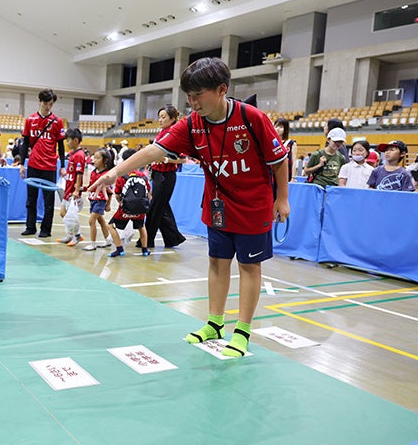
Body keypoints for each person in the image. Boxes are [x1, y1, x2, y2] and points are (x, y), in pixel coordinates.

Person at [90, 57, 290, 357]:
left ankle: (243, 331)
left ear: (222, 89)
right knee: (217, 262)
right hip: (218, 204)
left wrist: (282, 198)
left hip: (253, 205)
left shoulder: (251, 118)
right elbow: (154, 151)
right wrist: (114, 172)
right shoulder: (193, 124)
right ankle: (215, 323)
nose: (192, 102)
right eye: (188, 96)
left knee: (249, 266)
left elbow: (278, 161)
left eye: (199, 95)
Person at [19, 89, 66, 238]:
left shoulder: (57, 121)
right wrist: (21, 164)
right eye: (46, 103)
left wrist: (63, 166)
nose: (48, 107)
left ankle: (46, 230)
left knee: (49, 201)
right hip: (33, 165)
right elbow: (25, 143)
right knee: (31, 199)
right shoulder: (30, 120)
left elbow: (61, 145)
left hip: (50, 166)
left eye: (51, 104)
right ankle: (30, 227)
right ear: (40, 101)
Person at [140, 105, 186, 250]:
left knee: (155, 207)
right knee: (162, 207)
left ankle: (148, 240)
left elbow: (183, 159)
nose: (160, 120)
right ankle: (173, 238)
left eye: (163, 117)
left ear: (172, 119)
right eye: (159, 117)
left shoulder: (174, 134)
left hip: (166, 176)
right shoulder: (162, 132)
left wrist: (166, 160)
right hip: (157, 174)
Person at [105, 149, 151, 258]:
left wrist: (123, 204)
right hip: (140, 210)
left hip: (125, 210)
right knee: (142, 227)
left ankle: (119, 249)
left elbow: (117, 194)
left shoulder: (122, 176)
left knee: (111, 225)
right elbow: (148, 194)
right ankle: (145, 250)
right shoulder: (143, 176)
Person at [57, 128, 86, 246]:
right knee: (63, 213)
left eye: (68, 141)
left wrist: (77, 190)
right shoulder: (72, 154)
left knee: (71, 215)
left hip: (73, 191)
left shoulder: (79, 155)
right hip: (67, 188)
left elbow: (79, 174)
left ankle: (77, 236)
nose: (67, 143)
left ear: (75, 140)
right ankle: (70, 235)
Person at [82, 148, 114, 251]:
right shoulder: (93, 172)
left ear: (105, 160)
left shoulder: (107, 175)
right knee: (101, 220)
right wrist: (84, 188)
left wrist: (108, 204)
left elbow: (110, 191)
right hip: (93, 199)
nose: (95, 160)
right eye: (94, 157)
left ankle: (93, 243)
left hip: (100, 200)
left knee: (91, 220)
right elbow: (92, 186)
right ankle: (108, 240)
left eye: (98, 158)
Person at [273, 117, 297, 182]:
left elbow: (294, 161)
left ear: (285, 129)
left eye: (281, 127)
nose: (277, 129)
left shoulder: (291, 143)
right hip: (273, 174)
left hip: (286, 174)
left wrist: (293, 177)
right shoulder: (272, 142)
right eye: (276, 126)